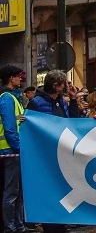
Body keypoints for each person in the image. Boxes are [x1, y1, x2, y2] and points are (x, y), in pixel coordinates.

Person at [0, 66, 25, 233]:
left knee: (16, 193)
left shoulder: (11, 98)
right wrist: (19, 146)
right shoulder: (7, 98)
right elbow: (10, 127)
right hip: (11, 151)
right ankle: (11, 227)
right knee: (11, 193)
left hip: (12, 150)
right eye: (18, 77)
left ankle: (17, 226)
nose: (20, 79)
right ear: (11, 78)